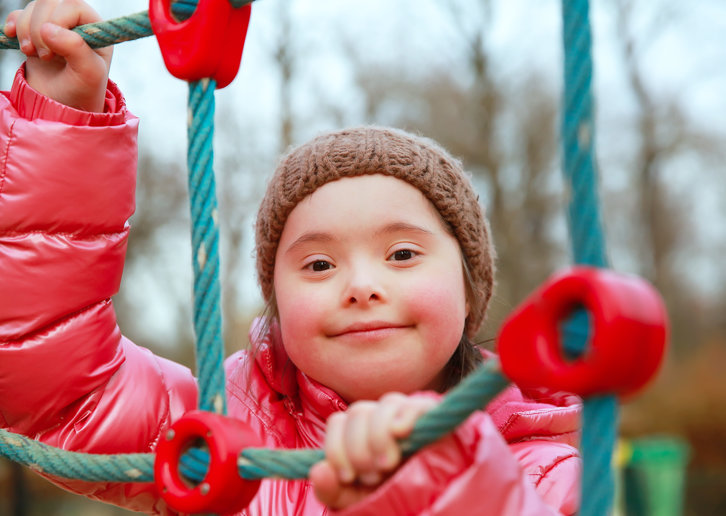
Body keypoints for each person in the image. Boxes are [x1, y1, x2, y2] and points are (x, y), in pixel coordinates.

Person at [0, 1, 582, 514]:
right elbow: (60, 387)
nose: (360, 286)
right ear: (278, 305)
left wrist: (446, 484)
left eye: (401, 253)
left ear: (469, 288)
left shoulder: (543, 474)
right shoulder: (221, 428)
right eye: (319, 265)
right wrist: (60, 117)